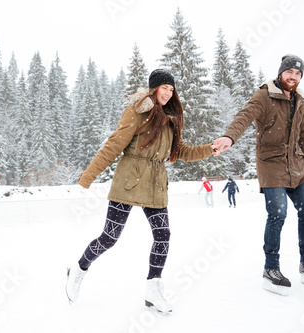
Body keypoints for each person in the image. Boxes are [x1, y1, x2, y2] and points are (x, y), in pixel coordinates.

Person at [66, 69, 219, 313]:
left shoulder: (171, 119)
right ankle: (79, 268)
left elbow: (181, 152)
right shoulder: (138, 112)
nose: (168, 93)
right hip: (128, 182)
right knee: (109, 238)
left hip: (156, 186)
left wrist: (210, 149)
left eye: (171, 89)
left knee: (163, 236)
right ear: (154, 89)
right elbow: (113, 145)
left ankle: (153, 288)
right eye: (164, 88)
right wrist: (88, 177)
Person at [214, 55, 304, 296]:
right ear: (280, 73)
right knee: (278, 214)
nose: (293, 77)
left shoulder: (300, 100)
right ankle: (271, 268)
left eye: (298, 74)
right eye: (289, 72)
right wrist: (230, 136)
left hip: (297, 165)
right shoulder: (264, 95)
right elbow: (244, 116)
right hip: (271, 164)